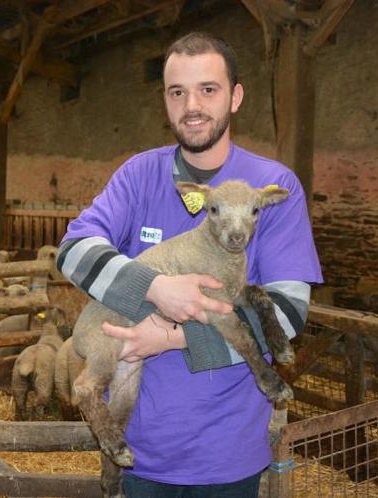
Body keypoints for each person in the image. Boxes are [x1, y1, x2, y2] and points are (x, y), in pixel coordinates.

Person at [57, 31, 323, 497]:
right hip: (142, 446)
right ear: (165, 99)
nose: (191, 105)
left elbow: (289, 310)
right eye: (177, 92)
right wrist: (155, 288)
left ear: (236, 96)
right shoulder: (140, 175)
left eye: (208, 89)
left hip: (228, 450)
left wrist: (168, 338)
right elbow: (74, 249)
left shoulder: (274, 186)